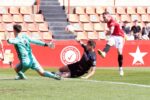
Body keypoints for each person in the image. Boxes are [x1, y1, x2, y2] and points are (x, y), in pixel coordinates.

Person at [97, 11, 125, 76]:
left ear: (108, 16)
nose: (104, 19)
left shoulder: (112, 22)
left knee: (119, 53)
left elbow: (112, 30)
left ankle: (120, 68)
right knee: (110, 41)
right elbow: (107, 21)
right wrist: (102, 21)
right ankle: (104, 53)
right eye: (103, 17)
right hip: (114, 36)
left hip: (120, 36)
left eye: (104, 17)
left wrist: (107, 33)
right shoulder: (109, 20)